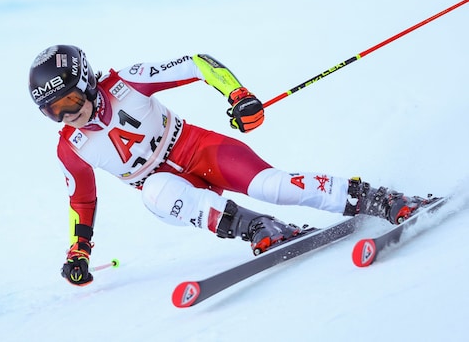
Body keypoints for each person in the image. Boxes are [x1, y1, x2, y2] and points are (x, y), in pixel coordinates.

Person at [27, 45, 429, 286]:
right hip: (168, 185)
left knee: (272, 185)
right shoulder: (71, 148)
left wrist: (238, 95)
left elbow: (196, 62)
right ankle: (260, 228)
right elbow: (82, 200)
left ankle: (377, 198)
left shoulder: (126, 82)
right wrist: (79, 249)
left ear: (89, 85)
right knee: (154, 193)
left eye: (71, 104)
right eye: (54, 113)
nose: (68, 117)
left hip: (197, 148)